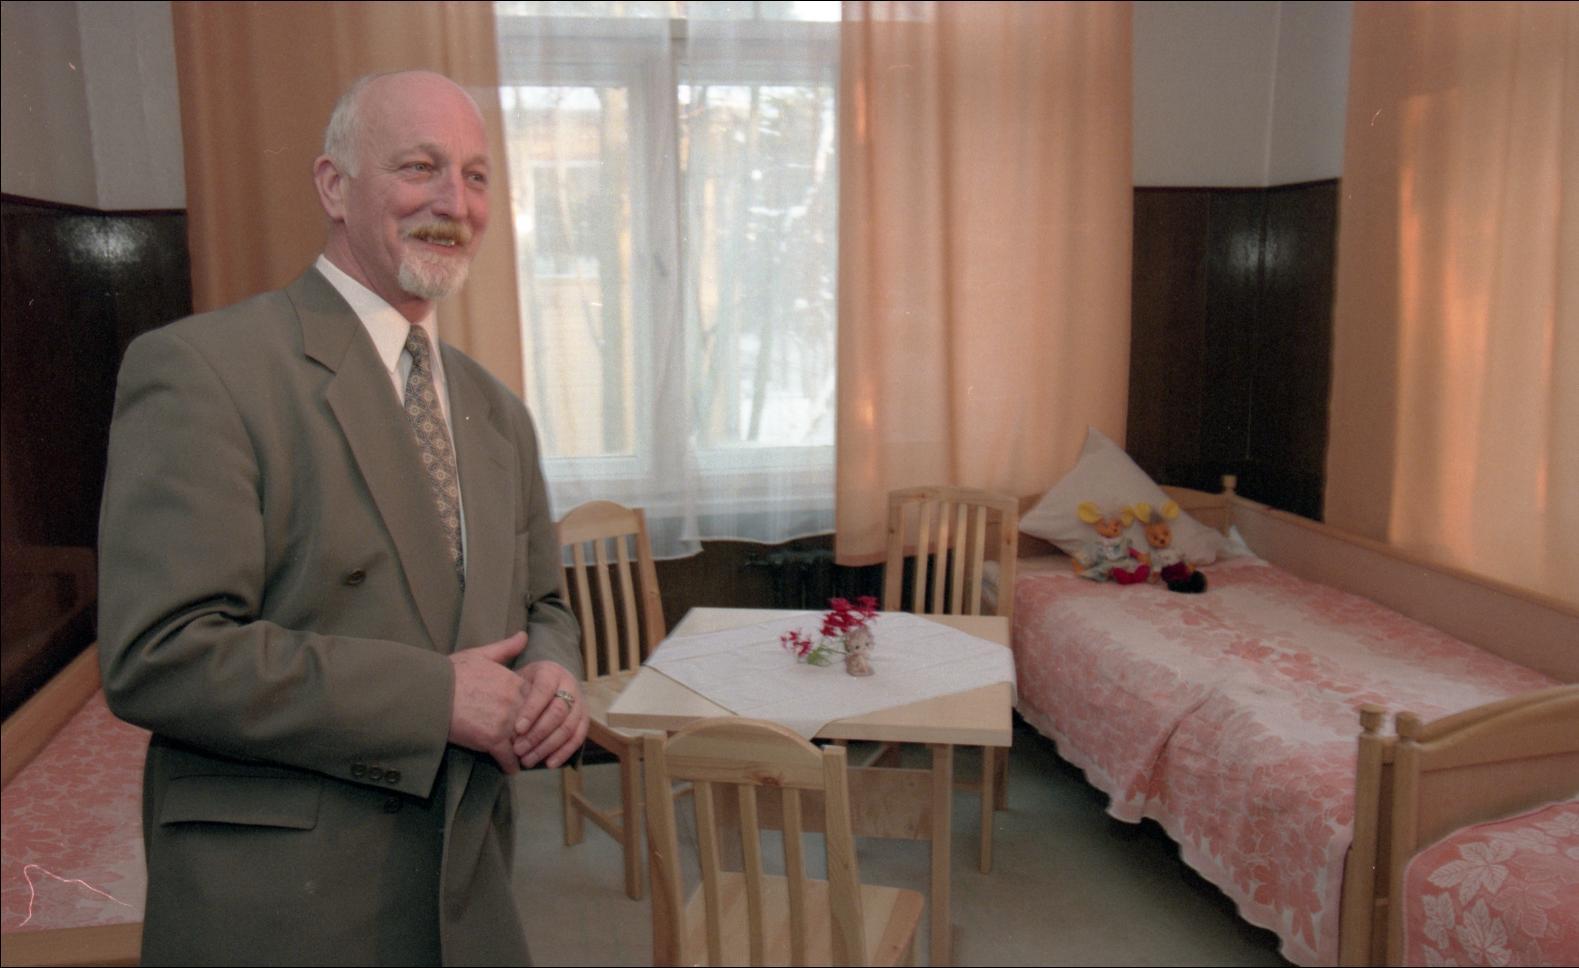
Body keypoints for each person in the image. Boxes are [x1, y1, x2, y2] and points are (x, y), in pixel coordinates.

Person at [97, 70, 587, 966]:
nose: (454, 202)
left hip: (465, 893)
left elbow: (543, 606)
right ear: (333, 186)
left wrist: (553, 675)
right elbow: (158, 655)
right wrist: (434, 698)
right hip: (283, 910)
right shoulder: (205, 369)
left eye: (476, 176)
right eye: (419, 167)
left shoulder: (497, 411)